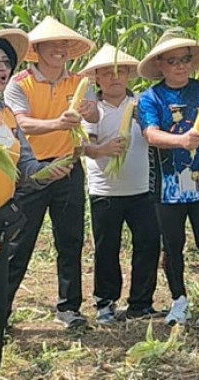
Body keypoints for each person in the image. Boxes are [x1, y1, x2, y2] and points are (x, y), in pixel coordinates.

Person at [0, 29, 69, 380]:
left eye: (6, 62)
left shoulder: (3, 112)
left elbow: (23, 166)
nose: (2, 69)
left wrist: (47, 172)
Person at [4, 17, 99, 328]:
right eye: (53, 44)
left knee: (70, 241)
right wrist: (59, 123)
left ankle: (69, 308)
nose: (60, 49)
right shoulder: (19, 84)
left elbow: (94, 112)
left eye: (64, 45)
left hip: (68, 169)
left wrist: (89, 111)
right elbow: (20, 124)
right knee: (19, 243)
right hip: (32, 172)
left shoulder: (78, 82)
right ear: (38, 49)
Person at [137, 32, 199, 328]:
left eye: (184, 60)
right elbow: (150, 134)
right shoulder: (150, 98)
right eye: (172, 61)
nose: (179, 66)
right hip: (168, 188)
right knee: (172, 245)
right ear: (161, 65)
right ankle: (179, 301)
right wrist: (182, 141)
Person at [80, 44, 161, 325]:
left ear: (129, 75)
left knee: (148, 245)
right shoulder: (92, 109)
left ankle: (141, 303)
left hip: (142, 189)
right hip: (105, 191)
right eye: (107, 73)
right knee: (106, 249)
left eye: (121, 72)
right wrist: (103, 150)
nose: (115, 77)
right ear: (97, 78)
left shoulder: (142, 105)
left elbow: (157, 138)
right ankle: (105, 302)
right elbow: (84, 147)